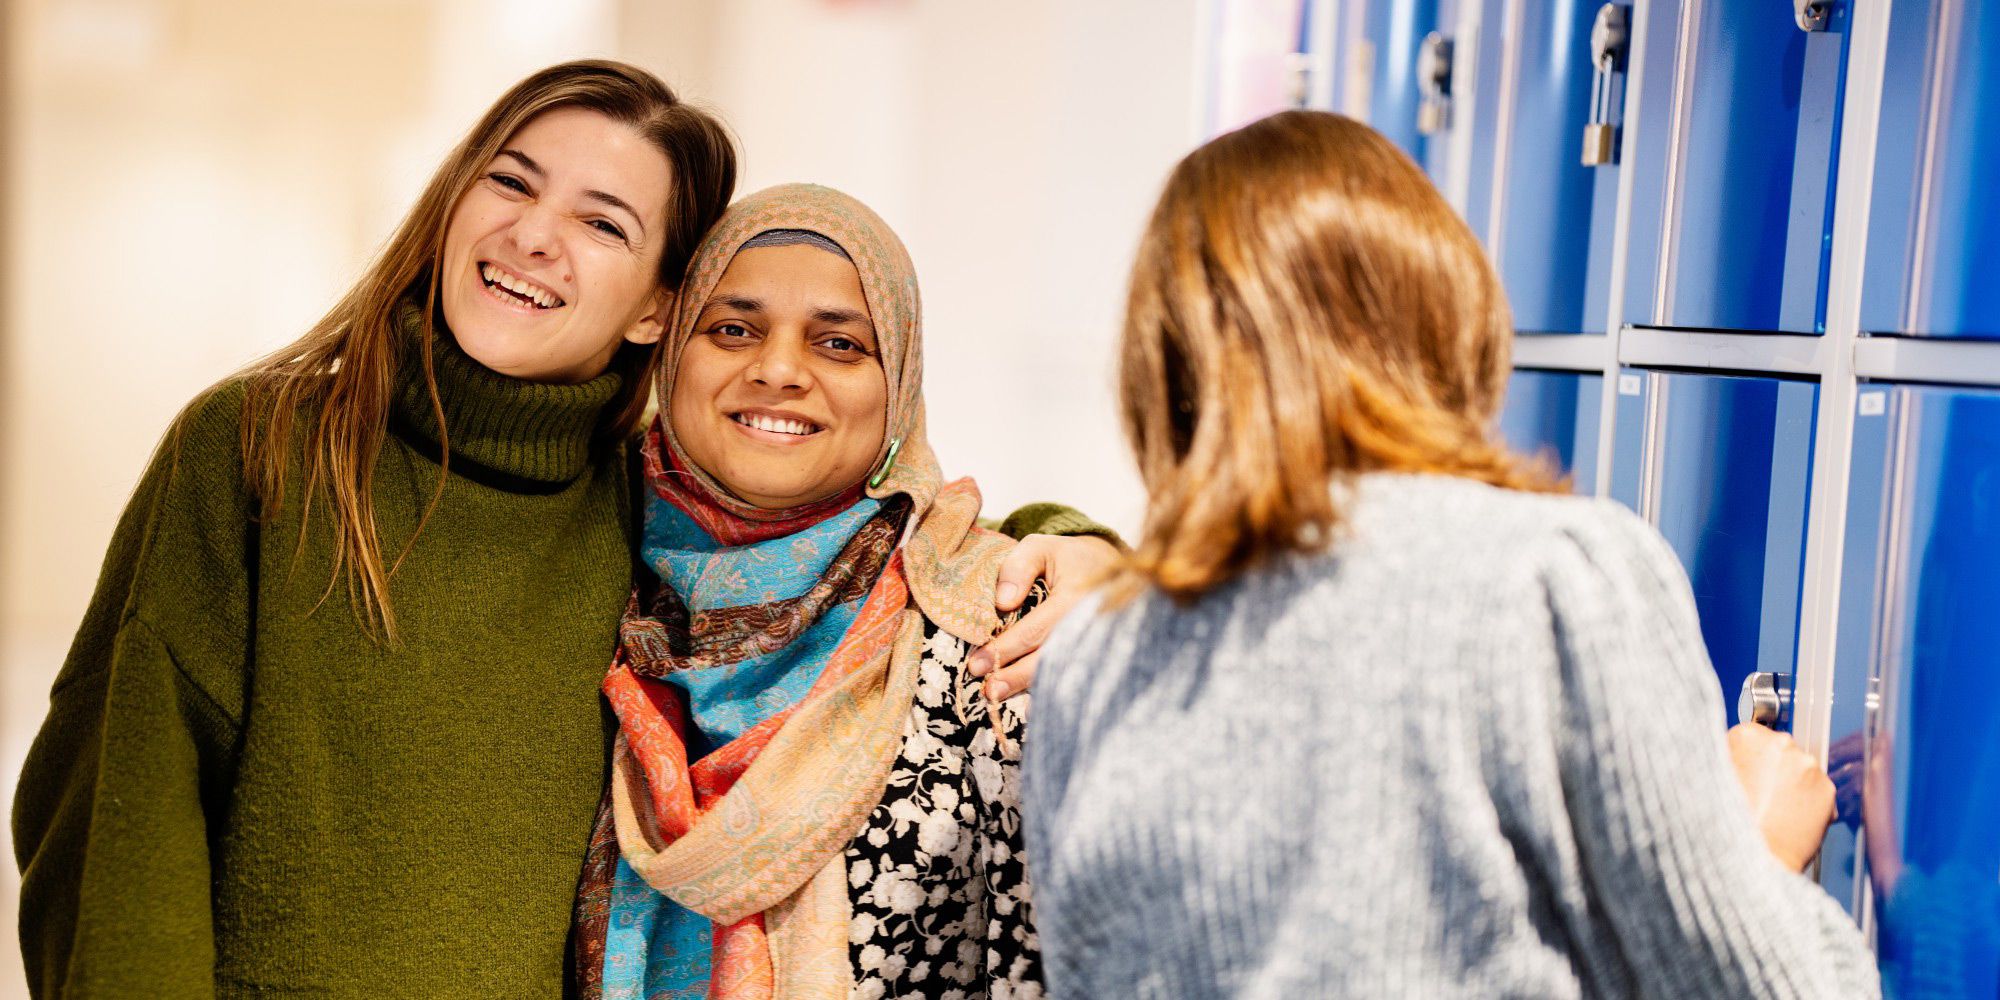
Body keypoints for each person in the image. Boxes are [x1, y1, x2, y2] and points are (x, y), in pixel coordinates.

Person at [13, 62, 1109, 999]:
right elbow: (113, 833)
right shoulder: (263, 446)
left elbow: (891, 532)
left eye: (602, 222)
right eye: (511, 182)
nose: (534, 236)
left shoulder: (637, 510)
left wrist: (1094, 549)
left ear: (651, 308)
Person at [1022, 110, 1879, 999]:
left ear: (1161, 359)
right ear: (1440, 304)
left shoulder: (1092, 657)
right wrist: (1760, 851)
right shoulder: (1553, 577)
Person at [570, 184, 1046, 1000]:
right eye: (732, 330)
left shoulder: (995, 623)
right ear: (671, 348)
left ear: (898, 383)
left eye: (840, 345)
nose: (779, 370)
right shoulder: (583, 570)